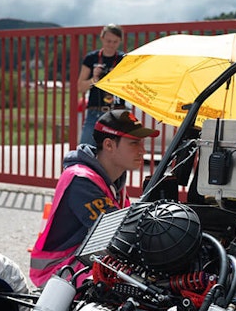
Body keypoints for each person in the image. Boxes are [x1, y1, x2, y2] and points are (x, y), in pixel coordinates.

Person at [29, 109, 159, 287]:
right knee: (134, 282)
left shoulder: (113, 181)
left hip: (84, 259)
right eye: (134, 143)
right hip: (58, 269)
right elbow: (117, 236)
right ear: (109, 145)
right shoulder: (81, 179)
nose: (142, 150)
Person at [76, 23, 126, 147]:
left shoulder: (123, 59)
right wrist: (94, 78)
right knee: (85, 150)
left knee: (116, 154)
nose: (111, 45)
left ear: (120, 41)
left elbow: (129, 86)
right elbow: (80, 87)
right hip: (95, 112)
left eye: (115, 42)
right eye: (108, 41)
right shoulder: (91, 58)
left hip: (116, 113)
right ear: (102, 38)